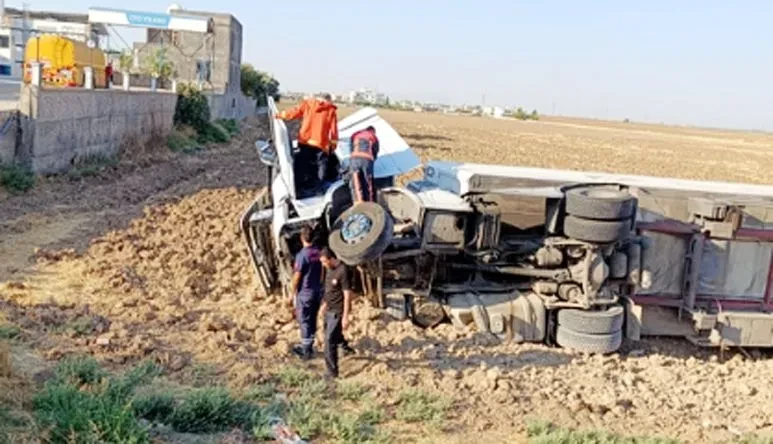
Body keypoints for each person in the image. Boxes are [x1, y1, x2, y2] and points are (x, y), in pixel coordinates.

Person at [276, 93, 339, 197]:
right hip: (320, 143)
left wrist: (278, 115)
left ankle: (297, 188)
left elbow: (293, 113)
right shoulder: (330, 110)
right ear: (328, 100)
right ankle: (319, 190)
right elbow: (333, 132)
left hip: (305, 141)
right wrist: (333, 146)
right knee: (321, 165)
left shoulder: (308, 104)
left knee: (302, 164)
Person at [319, 248, 356, 378]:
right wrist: (324, 304)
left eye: (324, 262)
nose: (323, 264)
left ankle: (332, 372)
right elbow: (328, 289)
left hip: (337, 311)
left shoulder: (342, 270)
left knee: (329, 340)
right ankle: (345, 347)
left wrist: (345, 316)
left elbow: (347, 295)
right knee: (332, 335)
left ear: (331, 259)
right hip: (329, 309)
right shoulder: (328, 269)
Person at [289, 225, 324, 360]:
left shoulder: (302, 255)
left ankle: (306, 350)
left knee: (304, 320)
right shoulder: (318, 252)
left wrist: (291, 294)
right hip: (317, 291)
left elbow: (297, 276)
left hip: (305, 293)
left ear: (301, 238)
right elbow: (322, 272)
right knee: (312, 318)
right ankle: (309, 345)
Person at [348, 125, 379, 203]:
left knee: (355, 182)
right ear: (372, 131)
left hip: (354, 159)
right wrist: (372, 160)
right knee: (367, 182)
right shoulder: (373, 136)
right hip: (366, 160)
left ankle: (358, 202)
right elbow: (375, 151)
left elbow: (351, 148)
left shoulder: (355, 134)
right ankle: (369, 203)